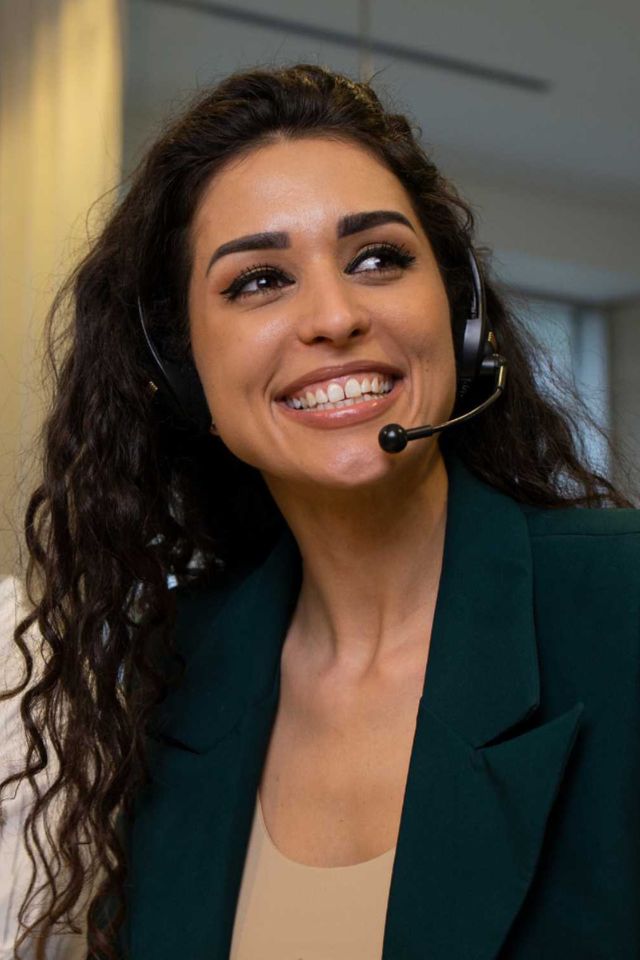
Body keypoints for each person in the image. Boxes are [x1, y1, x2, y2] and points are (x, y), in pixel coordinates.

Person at [1, 62, 638, 960]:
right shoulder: (170, 674)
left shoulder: (622, 603)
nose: (334, 316)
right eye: (259, 280)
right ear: (178, 369)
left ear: (458, 317)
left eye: (378, 258)